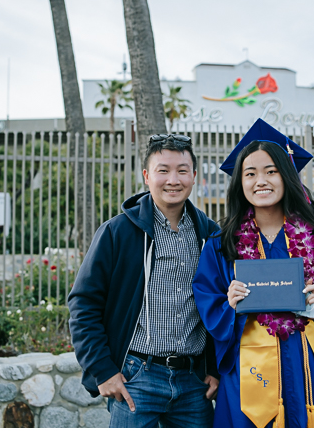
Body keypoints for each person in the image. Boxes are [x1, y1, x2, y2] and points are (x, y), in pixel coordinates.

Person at [192, 119, 314, 428]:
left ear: (286, 177)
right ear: (240, 183)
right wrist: (227, 304)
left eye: (271, 171)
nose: (261, 181)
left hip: (304, 364)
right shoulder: (221, 244)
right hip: (247, 371)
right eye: (250, 173)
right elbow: (207, 302)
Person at [67, 133, 221, 428]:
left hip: (194, 382)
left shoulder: (210, 235)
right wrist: (103, 370)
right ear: (147, 176)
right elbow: (83, 303)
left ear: (194, 176)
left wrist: (213, 368)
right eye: (163, 170)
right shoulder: (118, 232)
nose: (173, 179)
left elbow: (217, 304)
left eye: (182, 170)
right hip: (137, 377)